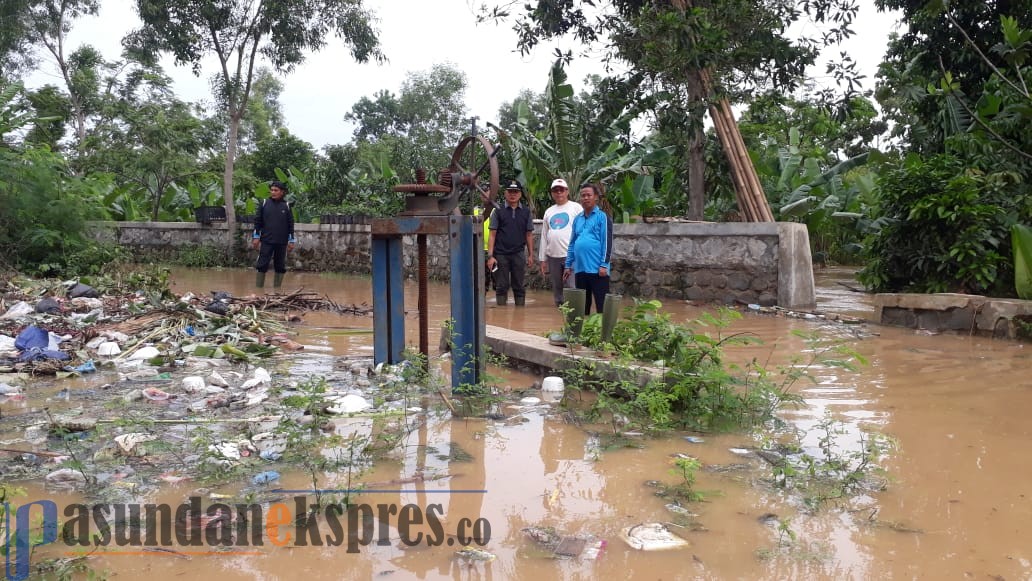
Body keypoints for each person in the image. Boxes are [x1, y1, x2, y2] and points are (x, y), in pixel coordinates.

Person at [563, 183, 613, 314]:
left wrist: (603, 265)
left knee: (602, 306)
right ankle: (583, 332)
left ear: (595, 197)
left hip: (598, 270)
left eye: (589, 195)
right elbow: (572, 244)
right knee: (582, 307)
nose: (585, 198)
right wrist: (568, 265)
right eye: (583, 195)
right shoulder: (577, 219)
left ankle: (602, 332)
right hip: (580, 269)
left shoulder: (602, 217)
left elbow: (607, 243)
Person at [486, 180, 535, 306]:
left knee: (519, 286)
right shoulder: (498, 210)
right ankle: (501, 314)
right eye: (510, 191)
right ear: (505, 193)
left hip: (518, 253)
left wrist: (530, 255)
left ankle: (520, 315)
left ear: (520, 194)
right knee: (501, 286)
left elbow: (529, 234)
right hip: (500, 254)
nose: (513, 194)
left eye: (516, 192)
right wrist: (490, 256)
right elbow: (492, 234)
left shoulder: (526, 212)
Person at [538, 178, 583, 307]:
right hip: (553, 256)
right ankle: (560, 313)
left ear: (567, 191)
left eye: (561, 190)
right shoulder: (549, 211)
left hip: (571, 255)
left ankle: (574, 312)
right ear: (552, 193)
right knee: (557, 287)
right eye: (555, 190)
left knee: (572, 285)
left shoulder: (576, 208)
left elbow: (583, 231)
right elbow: (544, 235)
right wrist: (543, 259)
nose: (559, 193)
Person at [252, 180, 295, 288]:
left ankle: (277, 292)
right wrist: (256, 237)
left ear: (282, 192)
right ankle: (259, 290)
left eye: (276, 190)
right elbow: (257, 221)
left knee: (280, 266)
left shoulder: (286, 206)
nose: (273, 192)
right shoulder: (265, 203)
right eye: (271, 190)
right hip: (267, 240)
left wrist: (291, 240)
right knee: (262, 265)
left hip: (282, 242)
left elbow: (291, 224)